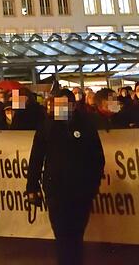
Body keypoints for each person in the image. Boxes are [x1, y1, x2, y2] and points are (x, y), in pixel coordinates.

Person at [26, 89, 104, 265]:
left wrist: (93, 185)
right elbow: (36, 158)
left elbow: (97, 157)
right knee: (61, 234)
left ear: (73, 105)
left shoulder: (86, 125)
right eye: (56, 104)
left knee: (76, 233)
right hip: (56, 189)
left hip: (81, 190)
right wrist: (32, 187)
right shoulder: (47, 126)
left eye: (63, 104)